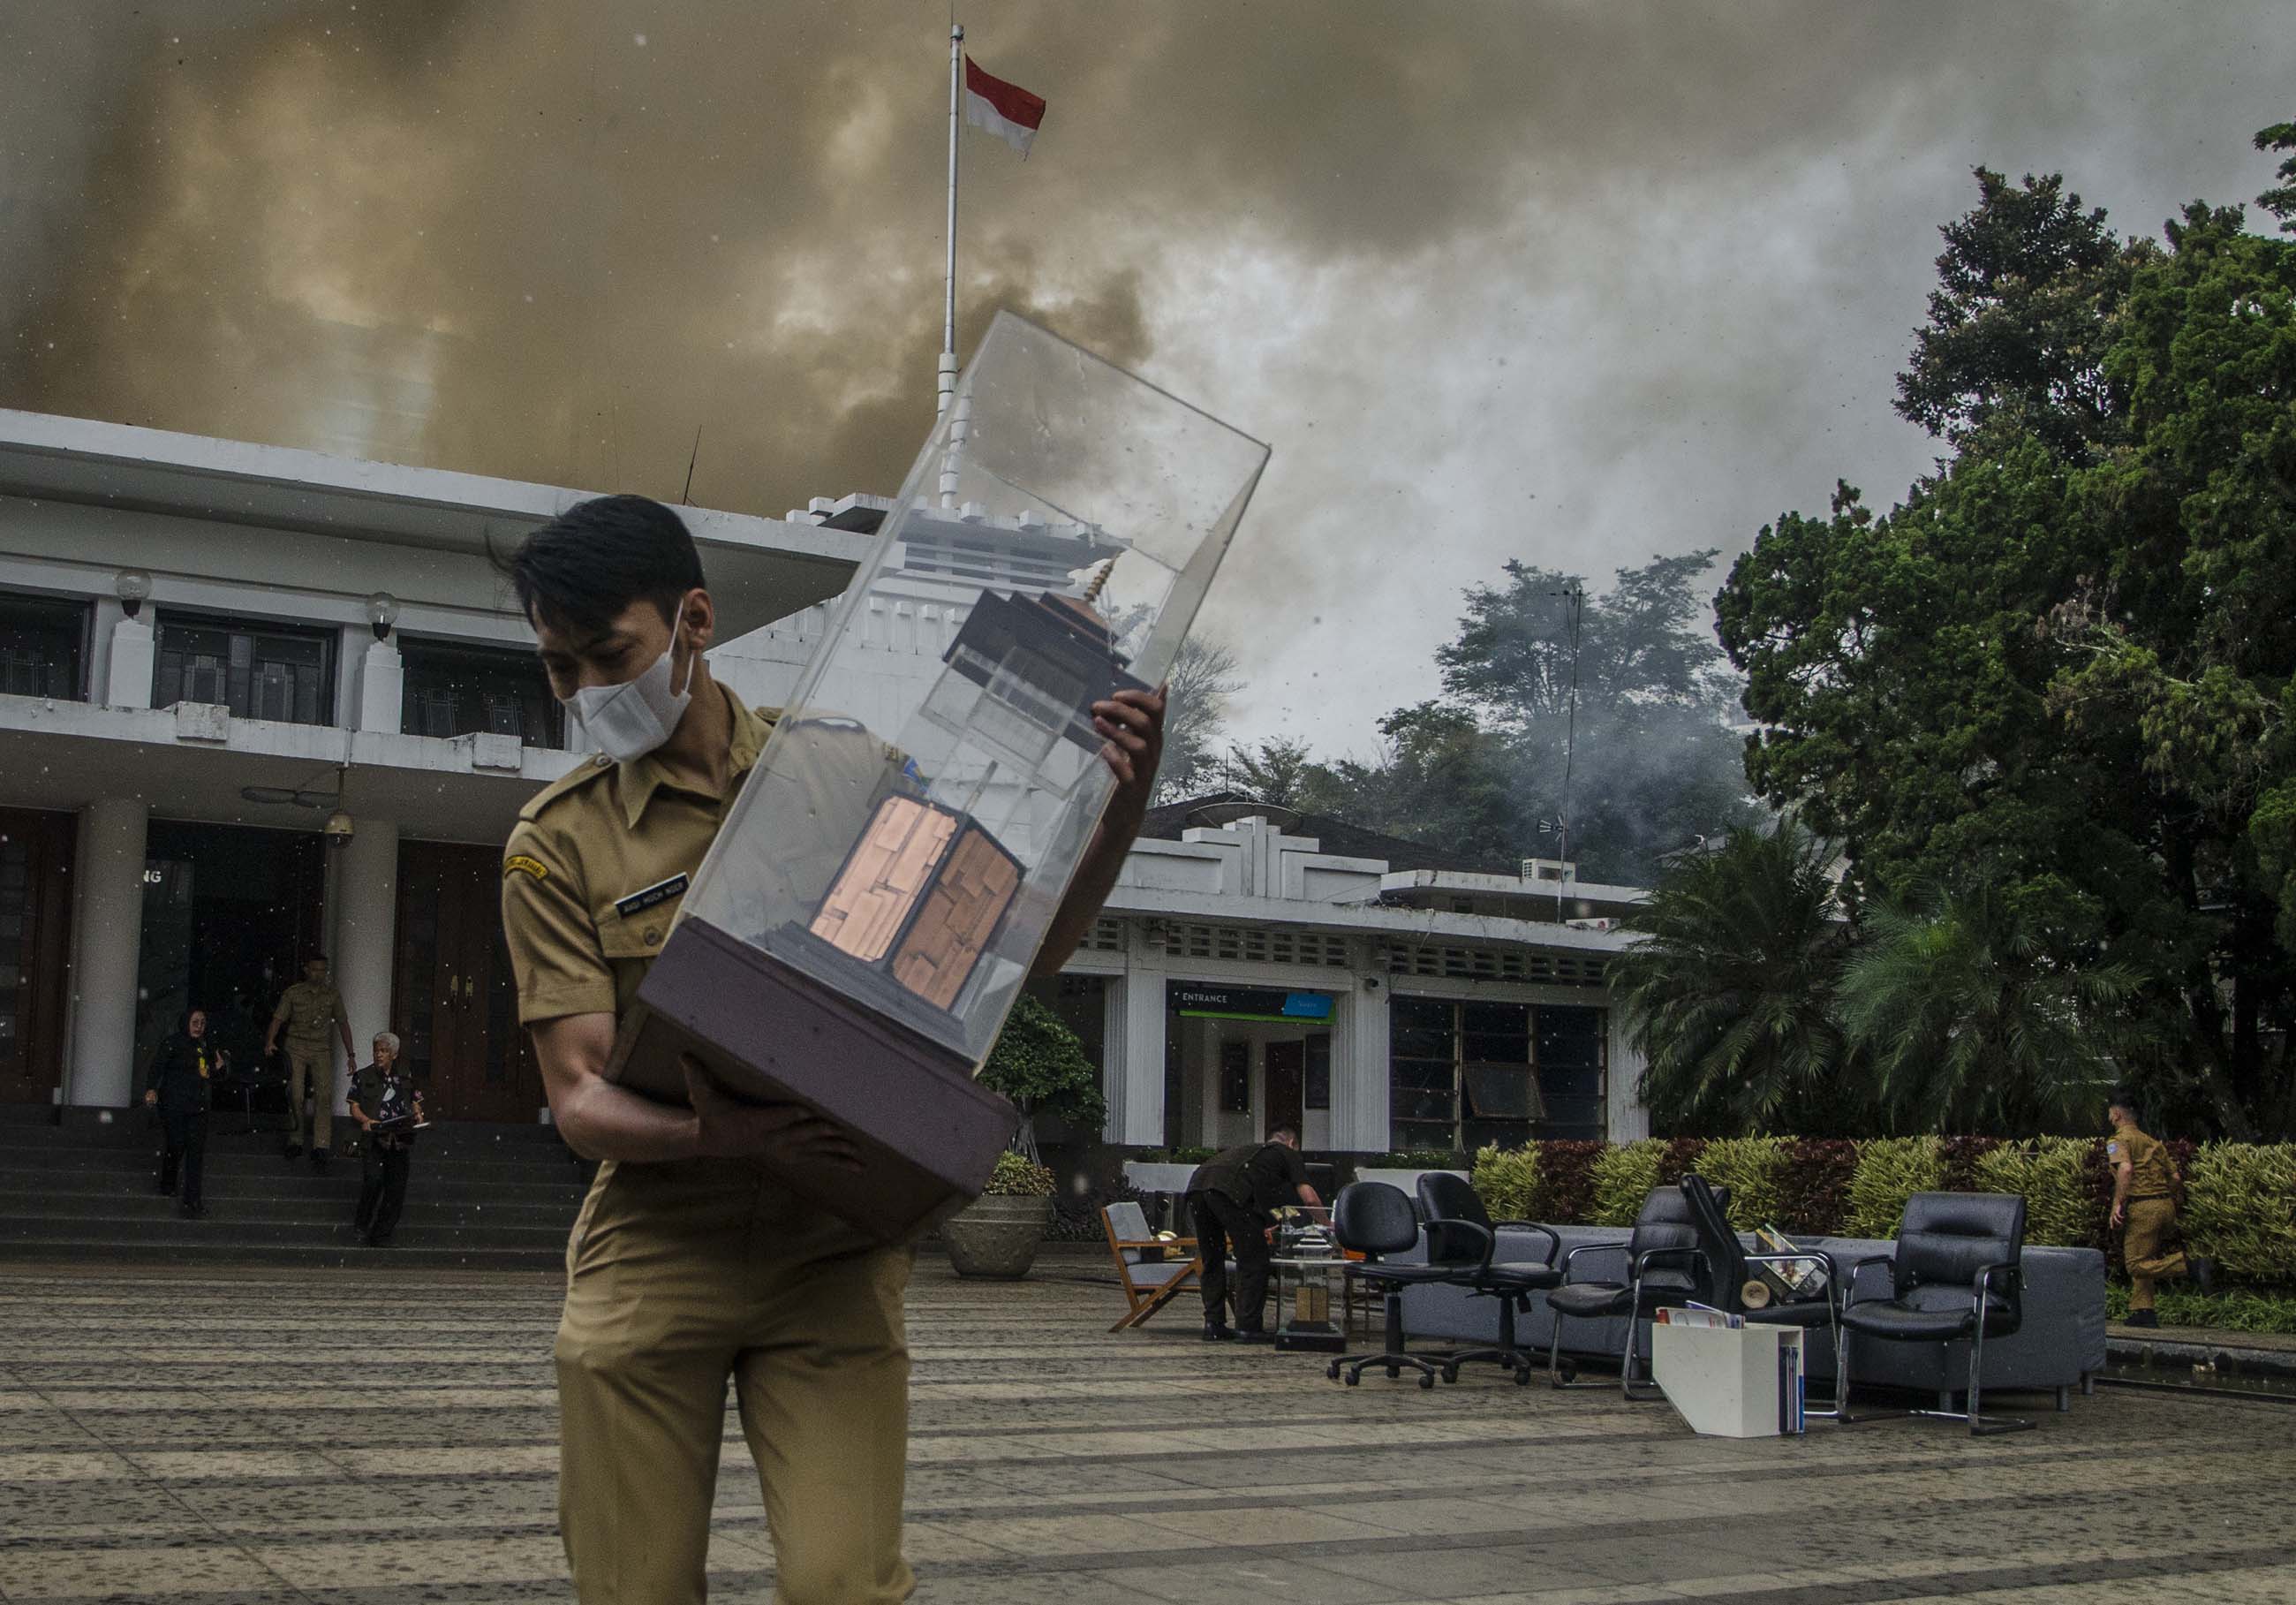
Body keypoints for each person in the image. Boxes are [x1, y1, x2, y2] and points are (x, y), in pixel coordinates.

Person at [496, 494, 1165, 1604]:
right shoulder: (557, 841)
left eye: (607, 656)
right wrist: (716, 1133)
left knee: (842, 1585)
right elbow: (578, 1099)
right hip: (658, 1245)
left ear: (694, 619)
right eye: (559, 669)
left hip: (832, 1248)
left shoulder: (845, 769)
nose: (586, 692)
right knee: (632, 1589)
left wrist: (1120, 808)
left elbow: (1012, 947)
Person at [1187, 1126, 1326, 1343]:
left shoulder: (1252, 1154)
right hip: (1228, 1191)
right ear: (1292, 1143)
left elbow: (1265, 1201)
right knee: (1254, 1260)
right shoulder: (1287, 1153)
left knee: (1212, 1258)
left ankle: (1213, 1324)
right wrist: (1328, 1223)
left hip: (1197, 1186)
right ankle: (1248, 1327)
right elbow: (1309, 1199)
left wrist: (1265, 1224)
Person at [2107, 1089, 2216, 1328]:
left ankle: (2190, 1266)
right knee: (2145, 1257)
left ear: (2116, 1115)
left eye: (2110, 1113)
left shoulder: (2117, 1141)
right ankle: (2143, 1310)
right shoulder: (2153, 1142)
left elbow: (2125, 1169)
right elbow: (2175, 1178)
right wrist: (2166, 1199)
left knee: (2135, 1264)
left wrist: (2117, 1204)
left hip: (2142, 1207)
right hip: (2165, 1205)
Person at [264, 955, 356, 1167]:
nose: (319, 974)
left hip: (320, 1047)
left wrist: (351, 1054)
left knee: (324, 1096)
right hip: (295, 1046)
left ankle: (321, 1145)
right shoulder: (293, 993)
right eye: (315, 969)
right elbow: (278, 1019)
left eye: (323, 970)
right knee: (295, 1095)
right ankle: (295, 1139)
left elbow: (343, 1023)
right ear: (306, 970)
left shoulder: (332, 995)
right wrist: (269, 1041)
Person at [143, 1006, 221, 1219]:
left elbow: (210, 1073)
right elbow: (157, 1067)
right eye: (195, 1022)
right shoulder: (173, 1043)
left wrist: (218, 1068)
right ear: (186, 1022)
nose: (199, 1027)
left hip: (198, 1106)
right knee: (176, 1144)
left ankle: (193, 1201)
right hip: (174, 1104)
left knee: (195, 1152)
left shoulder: (205, 1045)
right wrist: (151, 1088)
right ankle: (168, 1183)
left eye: (202, 1023)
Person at [350, 1031, 424, 1248]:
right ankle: (362, 1224)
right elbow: (354, 1106)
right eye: (376, 1050)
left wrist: (418, 1113)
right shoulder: (363, 1076)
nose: (379, 1055)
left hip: (399, 1139)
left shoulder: (405, 1076)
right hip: (375, 1138)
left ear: (394, 1054)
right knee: (373, 1181)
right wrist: (366, 1120)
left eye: (384, 1051)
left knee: (396, 1189)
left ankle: (381, 1234)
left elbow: (415, 1100)